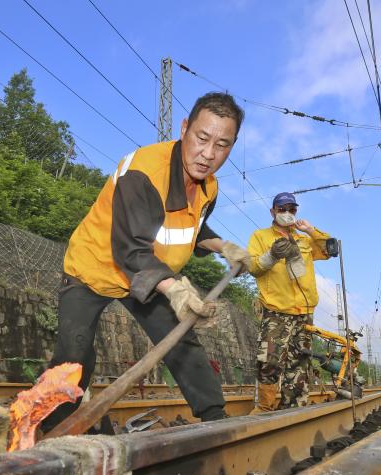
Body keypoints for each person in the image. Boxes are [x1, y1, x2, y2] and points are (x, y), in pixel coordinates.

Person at [40, 92, 250, 433]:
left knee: (179, 337)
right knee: (73, 356)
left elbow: (190, 227)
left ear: (232, 146)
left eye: (222, 145)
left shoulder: (209, 187)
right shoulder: (143, 173)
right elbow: (131, 249)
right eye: (202, 138)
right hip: (94, 267)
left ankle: (215, 421)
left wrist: (222, 246)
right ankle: (53, 432)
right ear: (184, 129)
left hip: (146, 273)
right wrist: (177, 290)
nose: (209, 154)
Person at [247, 192, 334, 412]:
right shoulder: (260, 236)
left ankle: (294, 409)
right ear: (272, 212)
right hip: (276, 309)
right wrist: (272, 255)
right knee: (270, 359)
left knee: (299, 362)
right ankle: (265, 407)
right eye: (281, 209)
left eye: (291, 210)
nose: (287, 213)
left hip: (304, 311)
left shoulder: (304, 238)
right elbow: (253, 267)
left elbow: (329, 250)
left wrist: (311, 230)